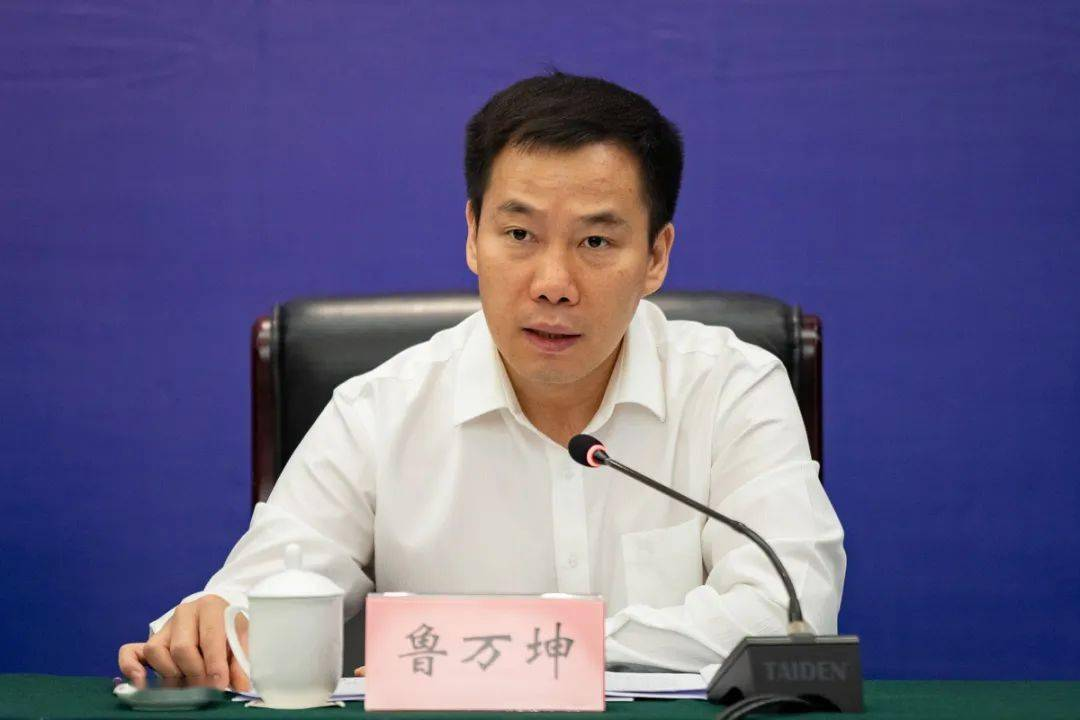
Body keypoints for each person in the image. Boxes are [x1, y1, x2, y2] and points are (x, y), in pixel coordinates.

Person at [118, 71, 845, 691]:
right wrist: (214, 626)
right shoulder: (381, 410)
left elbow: (789, 613)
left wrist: (507, 651)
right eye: (519, 234)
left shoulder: (732, 389)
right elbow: (264, 591)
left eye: (596, 240)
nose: (553, 283)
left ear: (656, 256)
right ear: (472, 235)